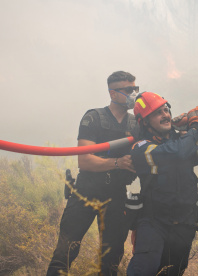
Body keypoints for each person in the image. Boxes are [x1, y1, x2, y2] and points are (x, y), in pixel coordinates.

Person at [47, 71, 140, 276]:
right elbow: (85, 160)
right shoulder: (94, 117)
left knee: (111, 258)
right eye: (127, 90)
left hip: (116, 195)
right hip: (85, 191)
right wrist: (117, 163)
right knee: (65, 252)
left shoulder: (137, 124)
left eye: (135, 89)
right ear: (113, 93)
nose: (133, 94)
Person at [126, 92, 198, 276]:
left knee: (172, 272)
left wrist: (191, 124)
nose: (165, 114)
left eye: (166, 110)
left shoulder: (182, 142)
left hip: (184, 223)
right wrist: (195, 126)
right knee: (144, 270)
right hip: (153, 223)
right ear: (145, 122)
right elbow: (176, 154)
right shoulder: (141, 148)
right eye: (157, 113)